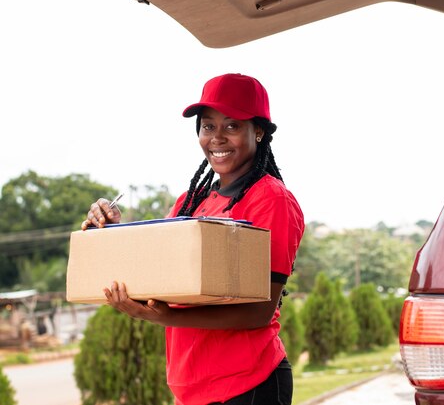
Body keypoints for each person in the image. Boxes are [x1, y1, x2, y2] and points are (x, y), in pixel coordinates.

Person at [81, 73, 305, 405]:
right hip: (192, 386)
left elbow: (258, 311)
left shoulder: (271, 200)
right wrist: (110, 232)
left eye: (231, 126)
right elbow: (163, 274)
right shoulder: (192, 201)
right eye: (208, 126)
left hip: (246, 384)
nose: (217, 138)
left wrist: (163, 316)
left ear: (257, 131)